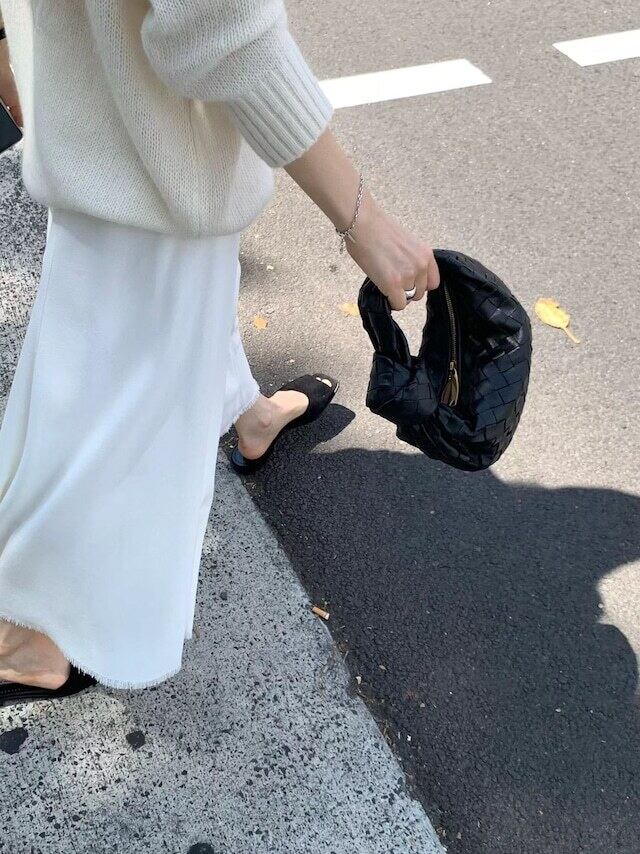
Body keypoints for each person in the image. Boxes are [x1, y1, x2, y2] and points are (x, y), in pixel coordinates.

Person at [0, 1, 439, 703]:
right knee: (101, 414)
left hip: (97, 116)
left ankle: (249, 415)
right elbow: (220, 28)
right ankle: (29, 638)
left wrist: (22, 68)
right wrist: (362, 220)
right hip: (150, 147)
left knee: (164, 318)